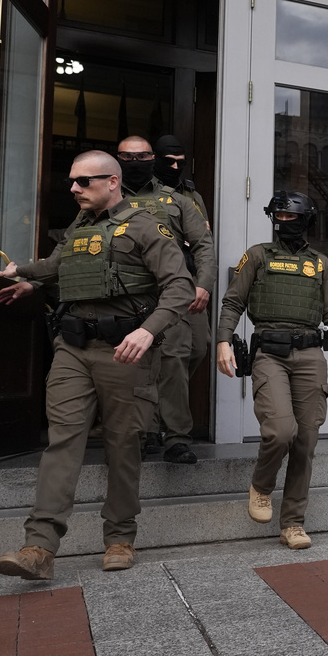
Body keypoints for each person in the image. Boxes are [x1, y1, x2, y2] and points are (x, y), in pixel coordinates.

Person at [0, 150, 195, 579]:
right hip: (72, 347)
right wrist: (25, 277)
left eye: (84, 182)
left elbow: (180, 288)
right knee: (63, 442)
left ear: (112, 182)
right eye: (73, 181)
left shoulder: (147, 225)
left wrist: (148, 331)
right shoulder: (79, 228)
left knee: (123, 446)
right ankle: (39, 547)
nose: (74, 189)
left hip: (125, 350)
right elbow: (57, 265)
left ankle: (120, 536)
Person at [216, 191, 328, 550]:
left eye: (293, 218)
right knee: (281, 431)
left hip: (310, 355)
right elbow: (233, 301)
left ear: (307, 221)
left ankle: (293, 523)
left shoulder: (319, 263)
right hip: (270, 354)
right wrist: (222, 341)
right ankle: (261, 487)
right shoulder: (258, 256)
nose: (284, 224)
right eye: (279, 217)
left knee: (306, 440)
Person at [117, 135, 217, 464]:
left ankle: (160, 421)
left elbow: (203, 243)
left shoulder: (184, 197)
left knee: (195, 350)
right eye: (168, 161)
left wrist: (203, 284)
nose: (175, 167)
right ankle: (163, 433)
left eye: (180, 161)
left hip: (181, 285)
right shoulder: (114, 194)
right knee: (163, 358)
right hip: (138, 290)